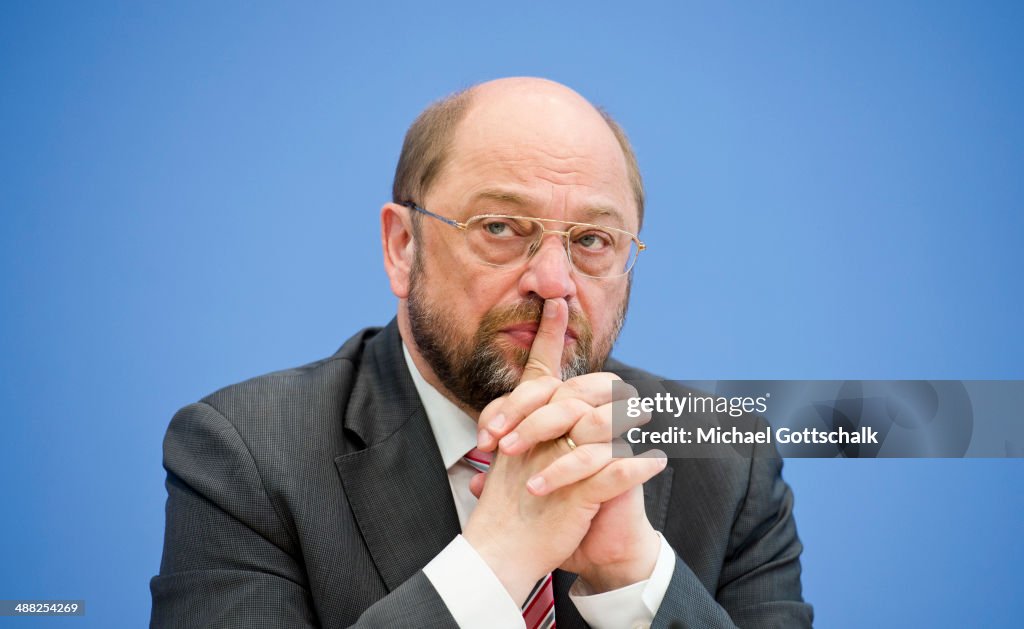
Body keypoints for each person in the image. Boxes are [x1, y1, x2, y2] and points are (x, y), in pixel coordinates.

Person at [150, 77, 813, 628]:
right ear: (402, 246)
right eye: (500, 227)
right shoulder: (245, 454)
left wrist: (635, 580)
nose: (554, 282)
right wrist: (495, 560)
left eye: (592, 241)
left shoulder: (727, 460)